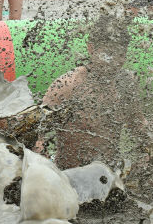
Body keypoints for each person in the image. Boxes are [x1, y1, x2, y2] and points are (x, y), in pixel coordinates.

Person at [41, 17, 146, 169]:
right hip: (71, 175)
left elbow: (138, 126)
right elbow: (38, 133)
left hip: (109, 175)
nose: (115, 61)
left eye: (121, 55)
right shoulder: (67, 86)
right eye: (109, 54)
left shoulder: (126, 85)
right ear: (91, 49)